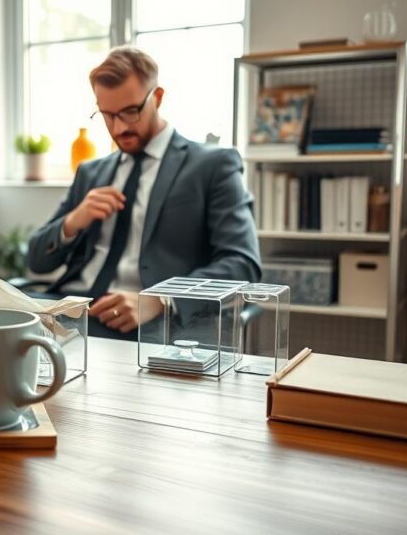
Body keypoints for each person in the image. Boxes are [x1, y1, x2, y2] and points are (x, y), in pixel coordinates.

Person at [26, 46, 261, 340]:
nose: (119, 127)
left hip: (155, 325)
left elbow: (243, 262)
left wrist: (161, 299)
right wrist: (73, 221)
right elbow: (35, 260)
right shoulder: (91, 173)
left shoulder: (213, 165)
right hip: (74, 314)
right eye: (107, 115)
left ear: (158, 97)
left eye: (130, 112)